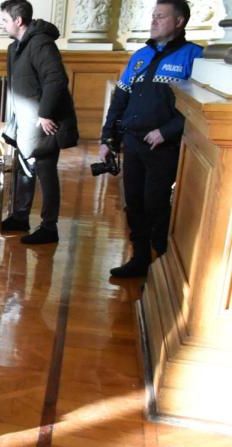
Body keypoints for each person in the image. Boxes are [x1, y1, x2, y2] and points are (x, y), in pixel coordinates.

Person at [102, 0, 202, 277]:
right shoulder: (140, 55)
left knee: (156, 204)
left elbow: (196, 110)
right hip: (133, 143)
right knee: (134, 203)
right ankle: (140, 258)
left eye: (161, 16)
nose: (153, 21)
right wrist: (107, 138)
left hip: (164, 147)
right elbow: (120, 99)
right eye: (153, 16)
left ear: (179, 21)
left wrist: (166, 131)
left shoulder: (194, 56)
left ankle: (162, 264)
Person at [0, 0, 78, 245]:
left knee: (45, 171)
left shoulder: (41, 43)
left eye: (5, 20)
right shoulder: (15, 47)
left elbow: (56, 79)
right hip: (24, 122)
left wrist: (45, 114)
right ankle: (20, 217)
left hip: (42, 123)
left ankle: (49, 227)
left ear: (18, 21)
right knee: (23, 168)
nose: (2, 25)